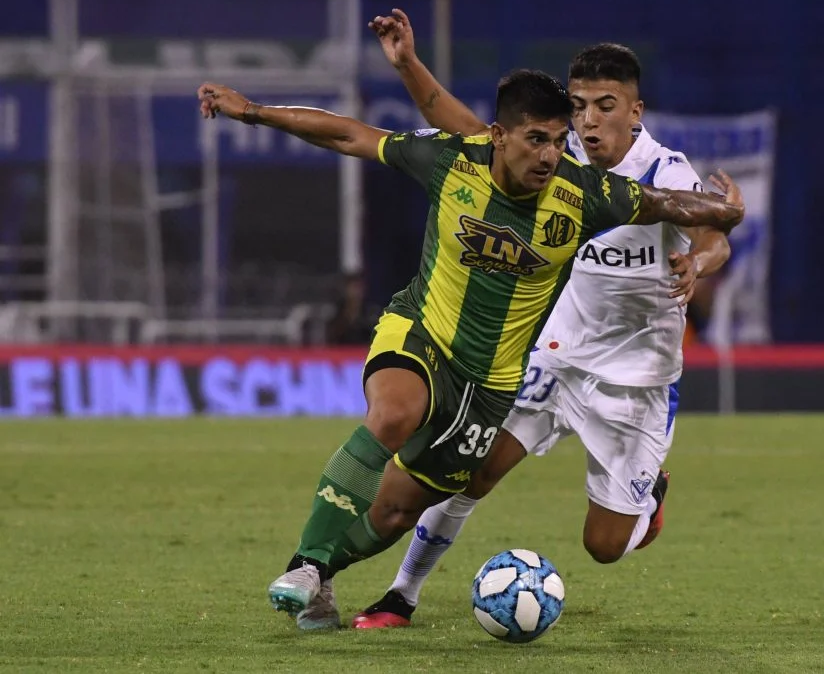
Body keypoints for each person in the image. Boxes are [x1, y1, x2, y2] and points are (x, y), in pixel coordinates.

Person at [196, 67, 743, 632]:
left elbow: (688, 212)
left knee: (575, 541)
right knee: (405, 423)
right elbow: (357, 134)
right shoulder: (459, 160)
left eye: (566, 136)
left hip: (558, 379)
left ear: (635, 110)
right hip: (479, 347)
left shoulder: (596, 191)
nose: (562, 145)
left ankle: (325, 573)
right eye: (560, 124)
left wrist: (716, 232)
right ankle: (359, 583)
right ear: (502, 137)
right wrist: (256, 110)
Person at [341, 10, 733, 630]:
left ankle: (647, 499)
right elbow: (467, 128)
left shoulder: (665, 173)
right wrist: (410, 66)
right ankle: (401, 595)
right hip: (551, 357)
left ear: (637, 112)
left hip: (635, 379)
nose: (589, 119)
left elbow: (714, 234)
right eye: (580, 106)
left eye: (607, 105)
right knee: (468, 473)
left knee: (604, 547)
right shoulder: (556, 161)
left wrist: (699, 264)